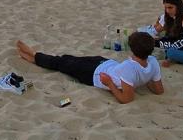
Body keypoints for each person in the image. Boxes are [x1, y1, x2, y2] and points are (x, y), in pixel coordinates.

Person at [15, 32, 164, 104]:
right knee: (68, 59)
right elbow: (159, 90)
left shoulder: (129, 68)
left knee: (61, 64)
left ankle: (33, 55)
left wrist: (110, 84)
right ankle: (35, 56)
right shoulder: (152, 61)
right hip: (104, 63)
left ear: (132, 49)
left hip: (93, 75)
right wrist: (146, 77)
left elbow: (127, 98)